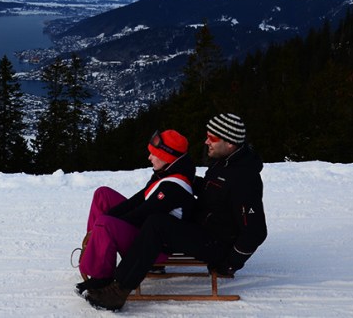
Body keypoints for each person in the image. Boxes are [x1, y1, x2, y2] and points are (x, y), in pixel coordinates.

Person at [84, 113, 267, 311]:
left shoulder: (245, 179)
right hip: (200, 226)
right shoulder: (224, 163)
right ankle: (112, 259)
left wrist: (230, 264)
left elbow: (255, 231)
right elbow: (213, 188)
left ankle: (118, 292)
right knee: (155, 218)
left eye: (212, 138)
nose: (206, 141)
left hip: (215, 243)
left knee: (157, 223)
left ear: (230, 143)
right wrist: (182, 177)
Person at [75, 129, 196, 295]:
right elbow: (137, 200)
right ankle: (94, 248)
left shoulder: (173, 187)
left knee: (106, 224)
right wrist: (104, 220)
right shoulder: (165, 172)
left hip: (153, 247)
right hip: (146, 229)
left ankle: (101, 275)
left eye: (154, 154)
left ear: (167, 157)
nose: (149, 158)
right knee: (103, 195)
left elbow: (140, 215)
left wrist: (104, 223)